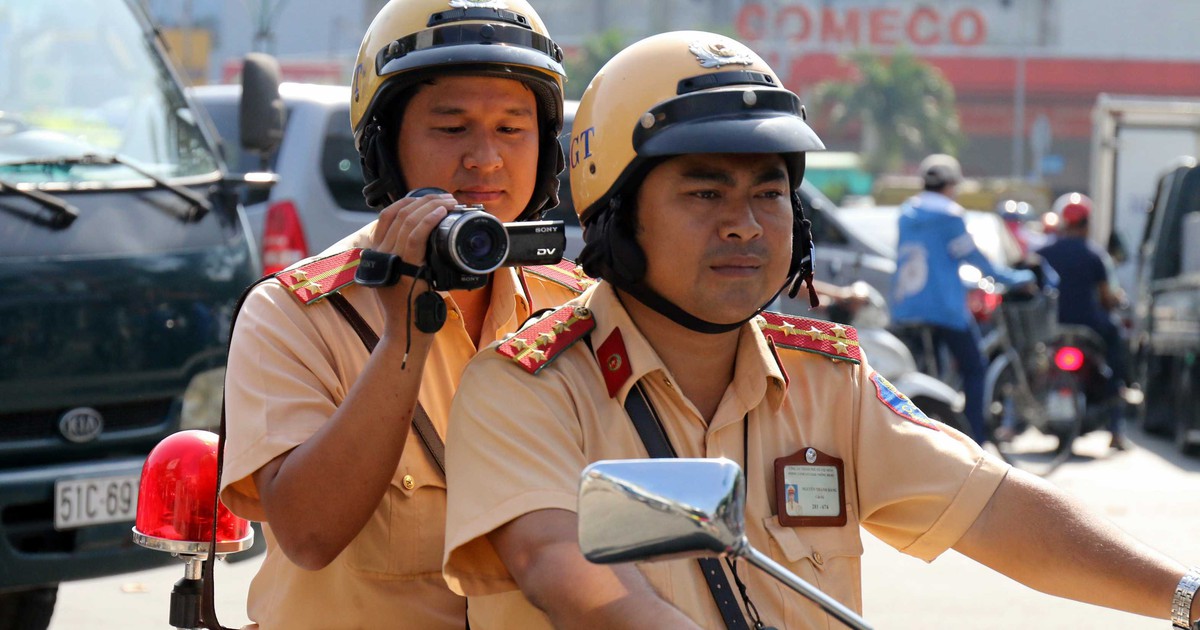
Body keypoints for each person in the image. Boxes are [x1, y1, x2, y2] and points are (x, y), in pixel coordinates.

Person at [439, 31, 1200, 630]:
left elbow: (996, 510)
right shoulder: (525, 387)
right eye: (704, 192)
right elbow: (559, 566)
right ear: (615, 213)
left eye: (769, 193)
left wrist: (1187, 596)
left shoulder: (828, 382)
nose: (744, 224)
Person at [216, 1, 586, 627]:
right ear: (386, 145)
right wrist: (403, 340)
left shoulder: (575, 307)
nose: (486, 158)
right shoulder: (293, 315)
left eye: (511, 128)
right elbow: (309, 535)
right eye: (452, 127)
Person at [890, 154, 1036, 444]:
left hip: (905, 307)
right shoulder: (950, 217)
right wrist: (1017, 278)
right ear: (951, 185)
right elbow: (976, 260)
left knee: (920, 372)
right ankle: (973, 439)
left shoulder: (907, 214)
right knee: (974, 368)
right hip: (944, 309)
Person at [1035, 192, 1131, 450]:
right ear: (1087, 223)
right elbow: (1106, 296)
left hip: (1050, 329)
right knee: (1117, 354)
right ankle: (1116, 428)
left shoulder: (1043, 252)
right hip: (1090, 327)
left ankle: (1010, 422)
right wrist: (1116, 300)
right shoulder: (1094, 254)